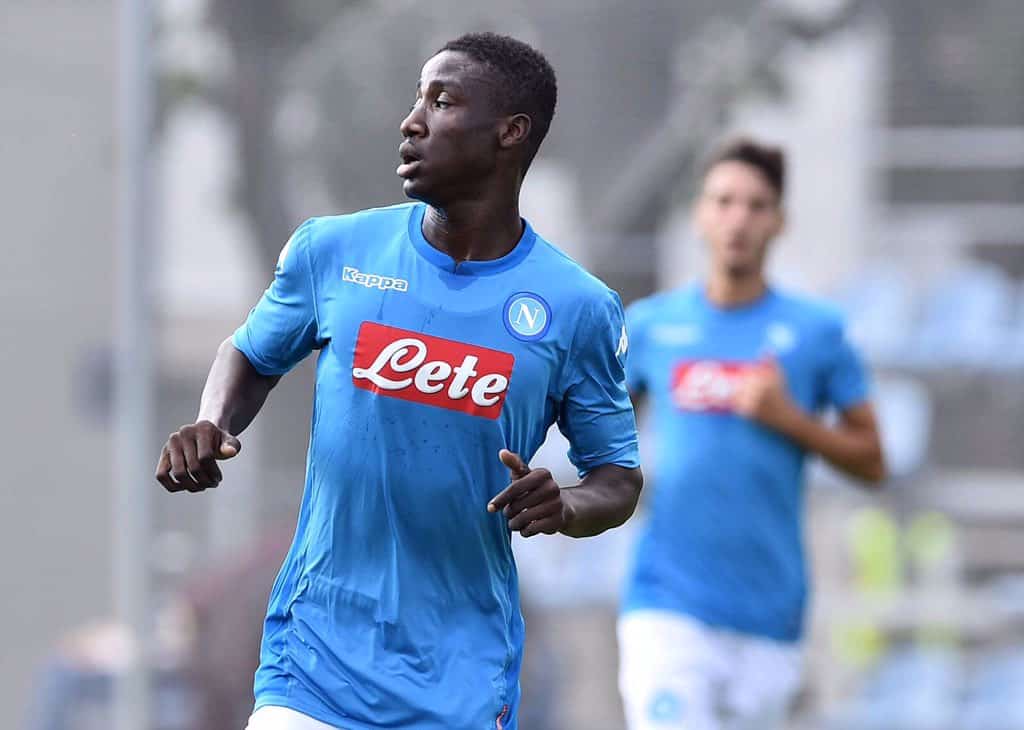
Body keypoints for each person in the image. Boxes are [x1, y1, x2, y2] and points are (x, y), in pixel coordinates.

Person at [155, 32, 643, 730]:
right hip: (314, 660)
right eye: (418, 98)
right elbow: (251, 353)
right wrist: (213, 423)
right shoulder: (334, 250)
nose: (412, 121)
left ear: (510, 132)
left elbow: (617, 478)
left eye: (441, 102)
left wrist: (565, 505)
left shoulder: (577, 307)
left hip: (459, 679)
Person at [617, 137, 886, 730]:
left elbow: (873, 460)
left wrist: (790, 419)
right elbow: (601, 433)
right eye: (724, 201)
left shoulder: (816, 332)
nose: (738, 219)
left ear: (779, 221)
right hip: (667, 603)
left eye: (756, 205)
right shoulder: (653, 325)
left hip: (769, 612)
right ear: (700, 214)